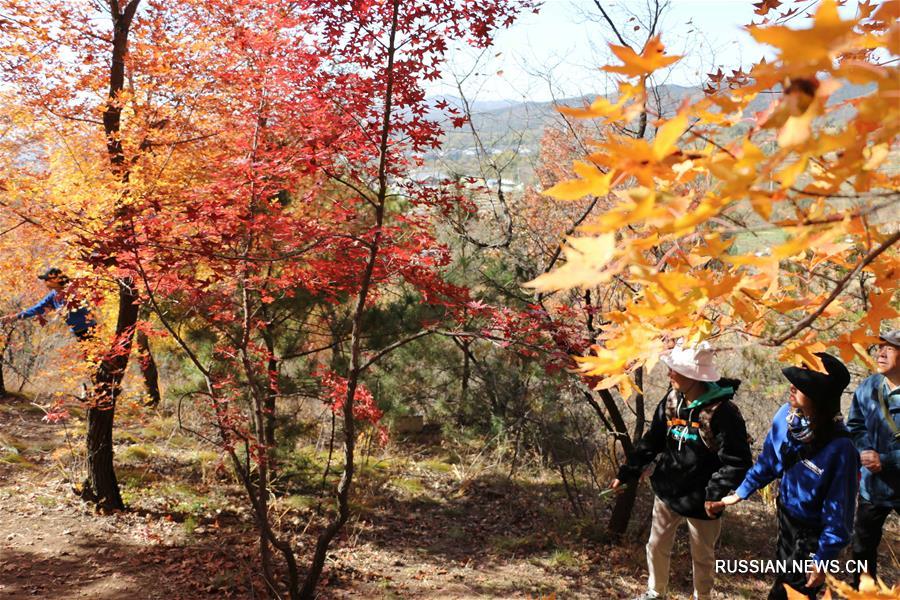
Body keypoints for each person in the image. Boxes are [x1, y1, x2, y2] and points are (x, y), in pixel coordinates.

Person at [610, 341, 753, 600]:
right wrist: (627, 472)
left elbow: (738, 461)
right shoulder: (672, 400)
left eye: (674, 370)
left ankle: (703, 597)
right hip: (667, 490)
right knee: (655, 546)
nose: (669, 374)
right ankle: (656, 592)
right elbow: (652, 440)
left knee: (703, 557)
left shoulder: (723, 413)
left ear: (693, 376)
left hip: (703, 499)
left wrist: (715, 494)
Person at [710, 352, 859, 600]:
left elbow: (839, 513)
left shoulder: (841, 448)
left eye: (801, 384)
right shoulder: (785, 417)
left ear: (819, 397)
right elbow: (769, 461)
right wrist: (739, 493)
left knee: (786, 594)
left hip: (814, 535)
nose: (792, 387)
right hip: (787, 521)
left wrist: (823, 558)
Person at [847, 329, 899, 588]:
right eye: (881, 347)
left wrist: (887, 460)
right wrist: (864, 450)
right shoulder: (868, 387)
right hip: (872, 488)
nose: (881, 353)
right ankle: (862, 592)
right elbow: (855, 425)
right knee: (862, 549)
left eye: (890, 348)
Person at [1, 267, 96, 340]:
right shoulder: (53, 295)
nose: (45, 283)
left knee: (100, 361)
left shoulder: (73, 291)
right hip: (77, 332)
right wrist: (15, 317)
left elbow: (80, 307)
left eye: (48, 280)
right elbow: (37, 308)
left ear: (57, 280)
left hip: (90, 329)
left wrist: (62, 310)